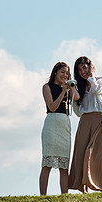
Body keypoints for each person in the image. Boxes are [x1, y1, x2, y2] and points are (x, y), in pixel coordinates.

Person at [69, 56, 102, 193]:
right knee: (80, 153)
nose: (82, 72)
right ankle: (82, 187)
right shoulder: (80, 87)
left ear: (90, 67)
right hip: (85, 120)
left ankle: (100, 186)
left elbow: (97, 90)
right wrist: (73, 96)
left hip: (99, 119)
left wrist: (91, 76)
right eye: (79, 70)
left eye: (84, 67)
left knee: (92, 153)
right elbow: (78, 112)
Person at [39, 62, 79, 195]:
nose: (65, 75)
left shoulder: (68, 88)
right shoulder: (47, 87)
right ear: (55, 72)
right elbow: (52, 107)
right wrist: (62, 92)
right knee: (47, 164)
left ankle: (64, 196)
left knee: (64, 165)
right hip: (52, 124)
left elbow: (77, 98)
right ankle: (43, 196)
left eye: (67, 73)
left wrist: (71, 86)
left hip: (64, 125)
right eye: (62, 72)